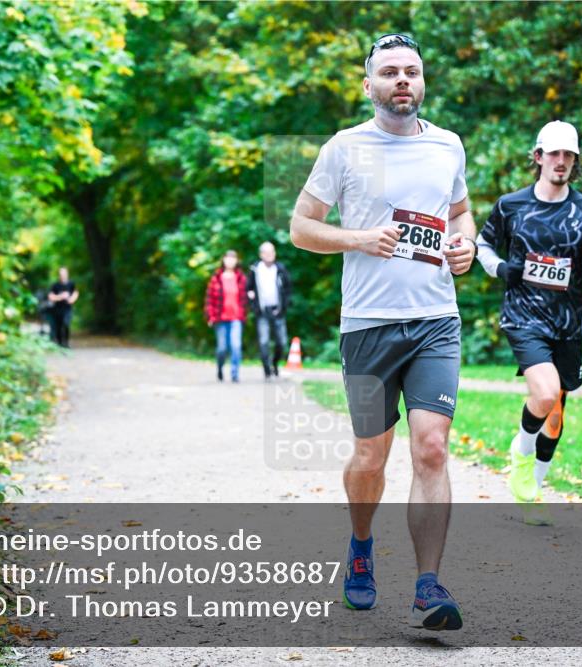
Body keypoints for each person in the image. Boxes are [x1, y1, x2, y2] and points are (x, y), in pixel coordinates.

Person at [290, 33, 476, 631]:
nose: (403, 80)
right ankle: (362, 546)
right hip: (368, 326)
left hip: (434, 323)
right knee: (372, 454)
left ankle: (428, 585)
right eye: (390, 71)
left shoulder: (448, 145)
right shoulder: (345, 149)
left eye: (412, 72)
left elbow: (461, 211)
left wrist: (466, 244)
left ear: (423, 83)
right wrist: (358, 238)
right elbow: (299, 227)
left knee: (432, 446)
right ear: (367, 84)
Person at [475, 120, 582, 515]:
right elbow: (482, 245)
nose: (561, 161)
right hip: (523, 316)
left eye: (569, 155)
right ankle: (520, 450)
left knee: (555, 412)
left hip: (568, 323)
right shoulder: (511, 205)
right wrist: (501, 269)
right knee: (545, 392)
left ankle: (533, 488)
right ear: (538, 157)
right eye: (554, 153)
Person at [246, 241, 292, 381]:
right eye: (266, 252)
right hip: (262, 311)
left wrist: (285, 305)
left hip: (278, 310)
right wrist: (252, 301)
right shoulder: (255, 269)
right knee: (264, 341)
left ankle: (275, 363)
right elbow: (248, 289)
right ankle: (267, 370)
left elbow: (288, 288)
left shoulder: (280, 269)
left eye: (272, 252)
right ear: (261, 255)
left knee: (282, 342)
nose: (269, 255)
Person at [203, 250, 248, 383]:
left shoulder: (241, 278)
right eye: (228, 258)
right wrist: (210, 316)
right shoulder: (216, 278)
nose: (230, 261)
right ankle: (220, 368)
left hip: (236, 318)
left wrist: (245, 312)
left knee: (236, 346)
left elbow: (245, 298)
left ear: (236, 261)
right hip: (220, 318)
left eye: (233, 258)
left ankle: (235, 374)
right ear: (223, 260)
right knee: (222, 348)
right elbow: (209, 299)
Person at [47, 267, 79, 348]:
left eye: (64, 273)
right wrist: (61, 297)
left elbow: (75, 293)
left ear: (67, 274)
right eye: (61, 274)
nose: (63, 275)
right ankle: (60, 342)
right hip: (57, 309)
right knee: (58, 326)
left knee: (66, 323)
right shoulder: (55, 285)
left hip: (67, 309)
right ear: (59, 275)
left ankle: (66, 342)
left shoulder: (71, 284)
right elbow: (51, 297)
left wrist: (72, 299)